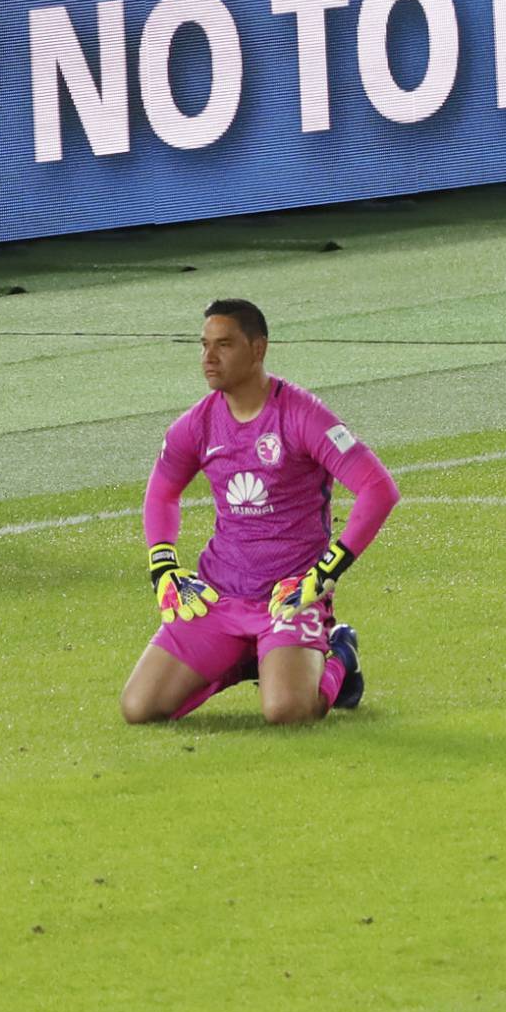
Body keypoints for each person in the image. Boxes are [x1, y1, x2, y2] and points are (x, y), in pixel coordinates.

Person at [120, 301, 399, 725]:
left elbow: (378, 489)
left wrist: (324, 573)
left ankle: (340, 653)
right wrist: (163, 564)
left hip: (289, 598)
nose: (209, 359)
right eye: (204, 346)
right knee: (139, 708)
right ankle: (254, 659)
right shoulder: (195, 425)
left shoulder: (302, 416)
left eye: (224, 345)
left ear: (258, 349)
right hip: (217, 598)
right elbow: (162, 492)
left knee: (287, 711)